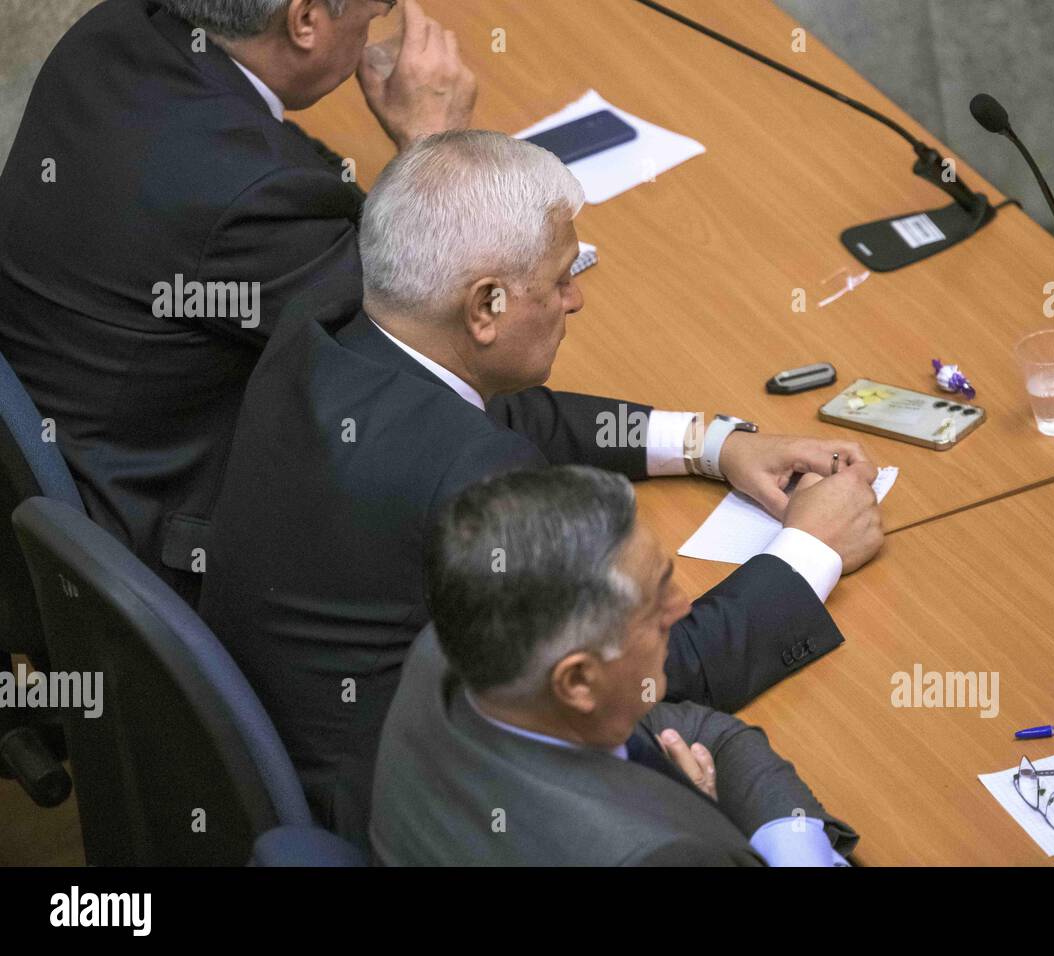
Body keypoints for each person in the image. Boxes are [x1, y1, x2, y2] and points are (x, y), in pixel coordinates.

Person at [199, 130, 884, 842]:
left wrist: (713, 444)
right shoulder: (471, 476)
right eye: (561, 278)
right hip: (397, 805)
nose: (577, 298)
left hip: (280, 729)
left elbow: (497, 404)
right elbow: (627, 668)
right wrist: (812, 549)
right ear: (485, 306)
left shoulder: (334, 318)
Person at [0, 0, 473, 601]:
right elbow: (423, 331)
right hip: (152, 541)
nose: (385, 9)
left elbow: (287, 161)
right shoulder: (250, 198)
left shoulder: (114, 31)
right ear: (304, 21)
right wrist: (435, 145)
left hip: (67, 459)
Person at [371, 465, 860, 866]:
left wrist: (790, 838)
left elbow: (703, 729)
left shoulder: (453, 654)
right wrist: (699, 816)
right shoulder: (660, 854)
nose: (683, 606)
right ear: (579, 680)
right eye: (655, 601)